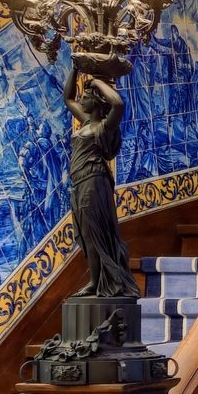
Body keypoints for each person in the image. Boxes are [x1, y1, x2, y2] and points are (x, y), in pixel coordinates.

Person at [64, 67, 139, 298]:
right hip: (79, 183)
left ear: (96, 102)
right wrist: (76, 69)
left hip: (93, 181)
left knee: (93, 232)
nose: (82, 100)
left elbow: (118, 104)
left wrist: (97, 82)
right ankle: (95, 282)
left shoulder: (104, 127)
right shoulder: (86, 122)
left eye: (86, 97)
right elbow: (68, 98)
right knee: (86, 234)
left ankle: (96, 282)